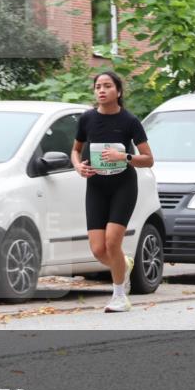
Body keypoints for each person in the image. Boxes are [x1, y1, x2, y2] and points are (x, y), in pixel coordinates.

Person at [71, 71, 154, 313]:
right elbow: (75, 150)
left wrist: (124, 156)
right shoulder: (86, 119)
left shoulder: (129, 121)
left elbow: (148, 159)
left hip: (123, 186)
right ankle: (123, 264)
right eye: (98, 86)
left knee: (112, 241)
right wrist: (78, 166)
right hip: (96, 186)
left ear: (118, 91)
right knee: (98, 249)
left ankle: (119, 296)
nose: (101, 90)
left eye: (107, 86)